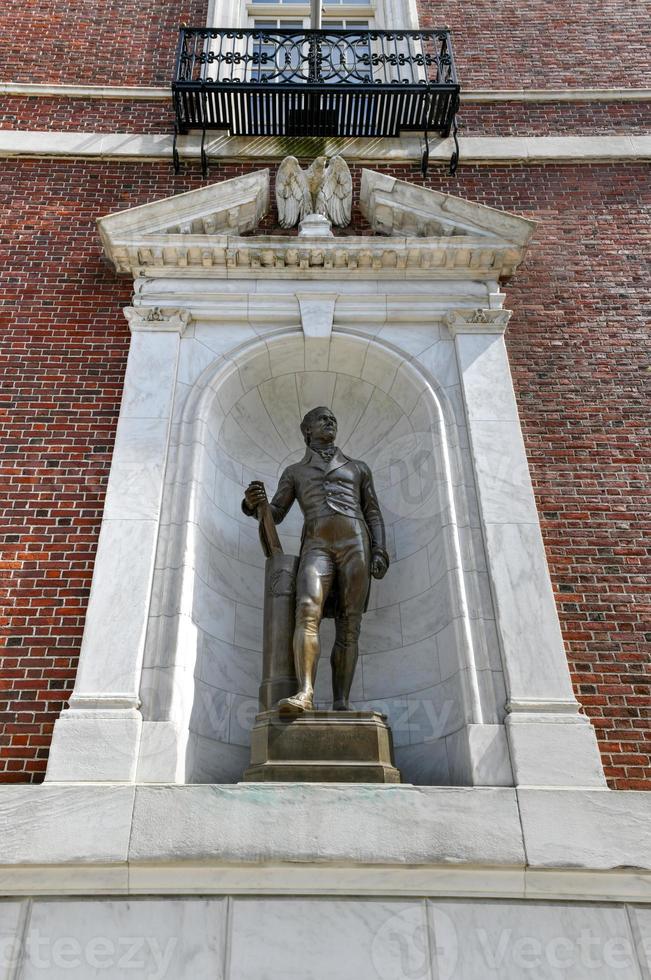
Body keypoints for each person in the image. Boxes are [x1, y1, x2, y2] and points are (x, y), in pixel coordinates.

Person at [243, 406, 389, 712]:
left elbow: (372, 510)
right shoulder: (295, 472)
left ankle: (341, 702)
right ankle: (305, 692)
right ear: (306, 430)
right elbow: (276, 514)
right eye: (323, 418)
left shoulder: (358, 468)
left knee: (350, 625)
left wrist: (380, 549)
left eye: (333, 419)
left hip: (356, 544)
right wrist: (253, 504)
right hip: (316, 545)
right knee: (307, 609)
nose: (331, 422)